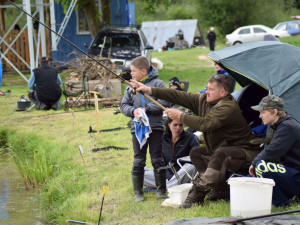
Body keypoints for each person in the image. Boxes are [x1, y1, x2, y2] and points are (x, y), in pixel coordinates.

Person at [130, 74, 261, 208]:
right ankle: (220, 189)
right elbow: (178, 96)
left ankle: (198, 192)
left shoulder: (228, 107)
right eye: (207, 88)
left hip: (245, 150)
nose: (207, 92)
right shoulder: (205, 100)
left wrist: (181, 116)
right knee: (197, 153)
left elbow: (205, 124)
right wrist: (149, 90)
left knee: (220, 153)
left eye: (211, 89)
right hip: (225, 149)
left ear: (223, 92)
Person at [120, 56, 170, 203]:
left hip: (155, 128)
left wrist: (146, 109)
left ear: (143, 71)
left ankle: (161, 190)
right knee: (139, 159)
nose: (131, 74)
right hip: (138, 129)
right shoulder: (130, 86)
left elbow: (164, 101)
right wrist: (134, 111)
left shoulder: (158, 84)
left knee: (157, 158)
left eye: (133, 71)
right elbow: (124, 106)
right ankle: (138, 192)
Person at [249, 95, 300, 207]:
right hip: (293, 173)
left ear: (274, 112)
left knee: (262, 166)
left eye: (263, 112)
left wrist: (253, 163)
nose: (260, 116)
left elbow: (271, 152)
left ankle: (281, 204)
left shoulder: (287, 127)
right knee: (250, 179)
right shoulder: (283, 125)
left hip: (297, 175)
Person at [144, 117, 199, 189]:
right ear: (169, 124)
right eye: (175, 125)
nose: (178, 128)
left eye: (181, 125)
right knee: (140, 171)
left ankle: (166, 186)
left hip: (184, 172)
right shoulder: (162, 139)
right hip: (167, 174)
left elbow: (197, 157)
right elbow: (159, 161)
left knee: (191, 167)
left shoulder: (191, 137)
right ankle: (171, 185)